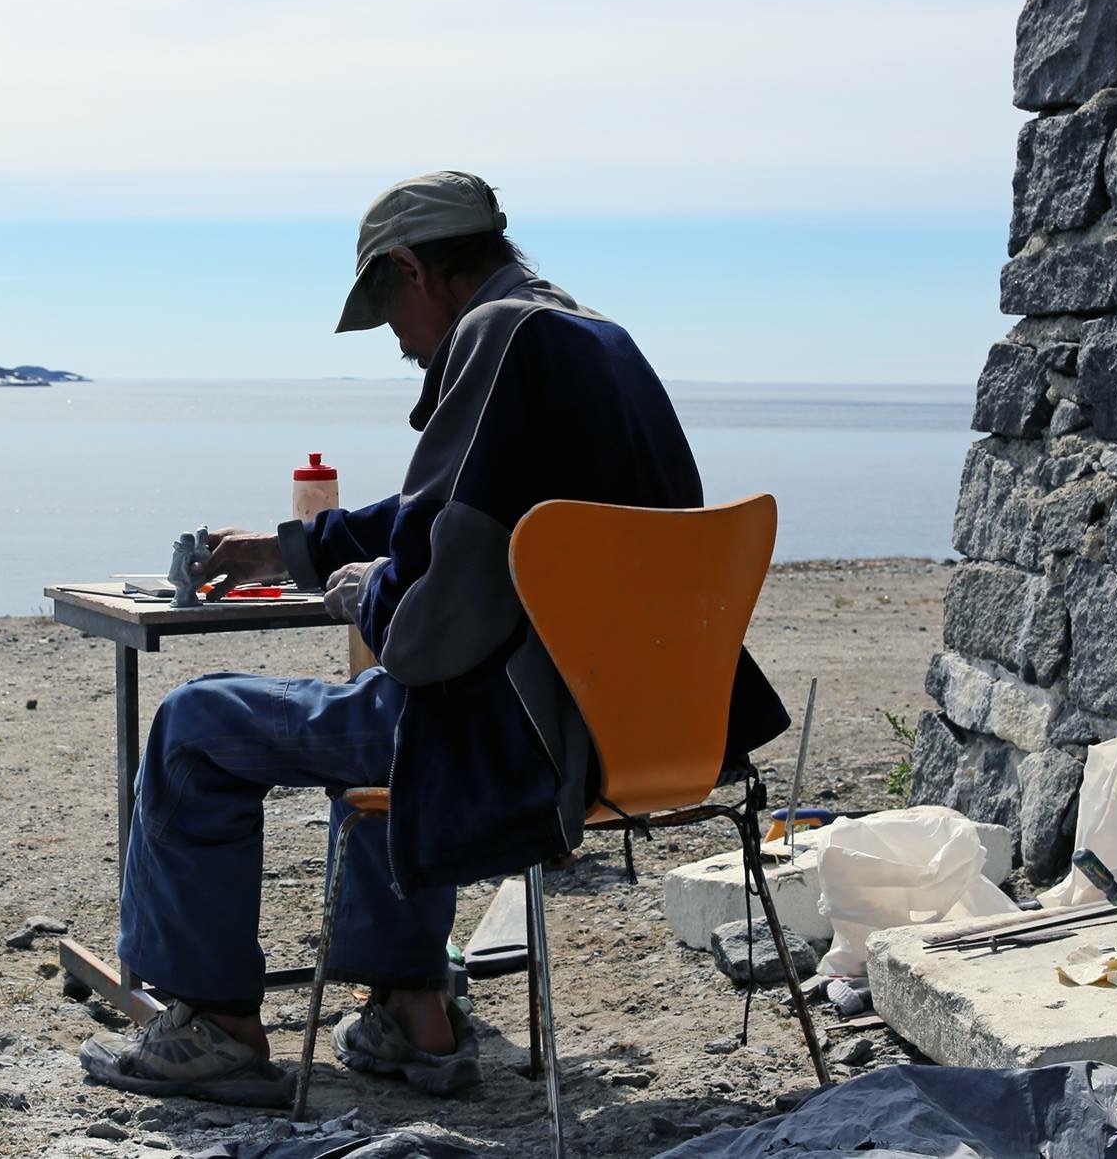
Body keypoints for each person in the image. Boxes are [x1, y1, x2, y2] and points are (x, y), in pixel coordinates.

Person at [79, 171, 790, 1108]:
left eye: (388, 313)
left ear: (414, 269)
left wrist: (364, 591)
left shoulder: (495, 339)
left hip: (518, 735)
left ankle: (214, 1024)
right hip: (652, 732)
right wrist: (294, 546)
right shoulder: (597, 340)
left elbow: (431, 624)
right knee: (384, 723)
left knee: (196, 722)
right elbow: (456, 511)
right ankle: (415, 1017)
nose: (404, 348)